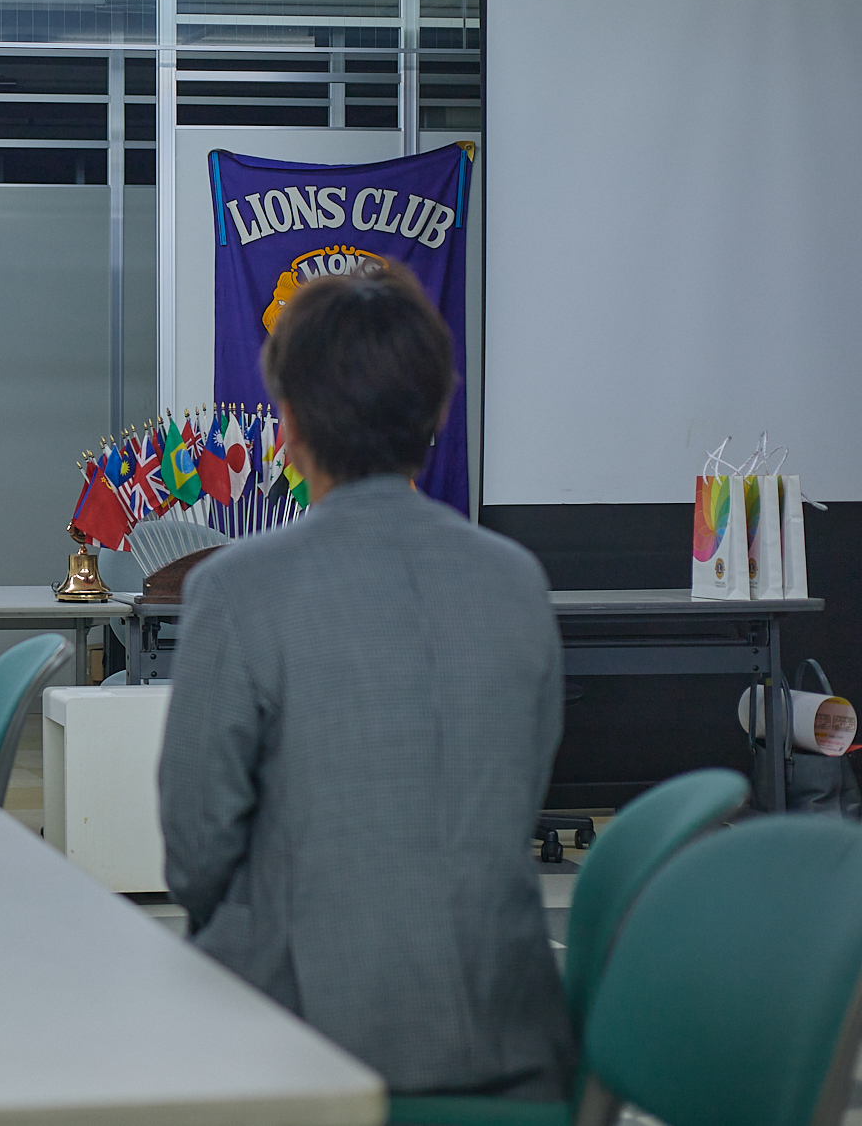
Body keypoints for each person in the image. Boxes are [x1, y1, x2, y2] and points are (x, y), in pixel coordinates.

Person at [157, 267, 573, 1101]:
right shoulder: (518, 579)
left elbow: (196, 856)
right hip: (516, 1047)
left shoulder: (236, 589)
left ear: (292, 425)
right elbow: (514, 792)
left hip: (299, 1048)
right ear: (435, 414)